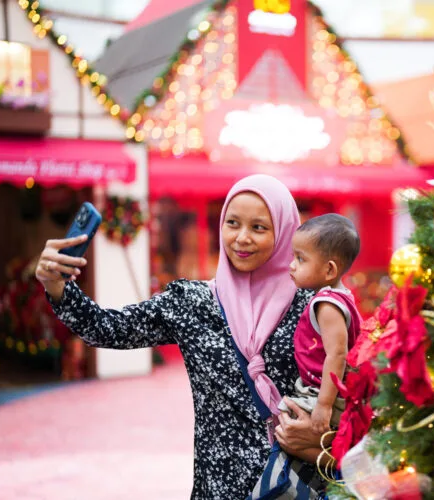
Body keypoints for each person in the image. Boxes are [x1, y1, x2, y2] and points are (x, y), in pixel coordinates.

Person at [35, 175, 327, 498]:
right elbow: (107, 328)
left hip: (293, 485)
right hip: (217, 489)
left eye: (259, 227)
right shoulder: (192, 303)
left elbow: (350, 393)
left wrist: (320, 438)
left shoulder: (314, 307)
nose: (242, 238)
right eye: (232, 223)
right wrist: (57, 287)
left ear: (284, 233)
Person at [283, 214, 362, 438]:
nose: (292, 265)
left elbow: (337, 354)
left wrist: (324, 405)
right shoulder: (341, 297)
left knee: (286, 433)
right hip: (323, 392)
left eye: (301, 259)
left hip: (322, 394)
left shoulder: (327, 305)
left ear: (329, 270)